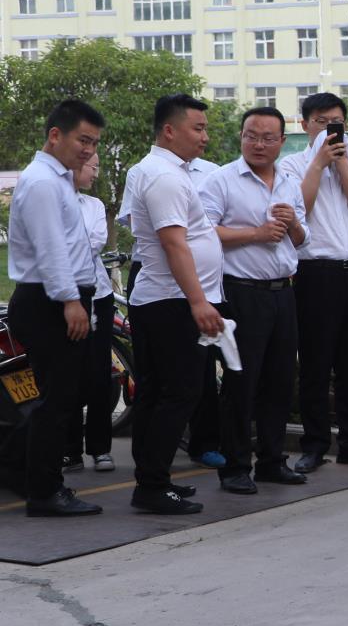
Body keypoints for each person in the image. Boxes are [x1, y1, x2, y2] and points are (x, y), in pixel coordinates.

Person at [2, 100, 108, 517]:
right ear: (55, 135)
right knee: (57, 399)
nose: (88, 150)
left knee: (67, 394)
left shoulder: (58, 179)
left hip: (61, 296)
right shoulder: (44, 182)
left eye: (94, 142)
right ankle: (44, 491)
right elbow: (51, 250)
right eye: (83, 140)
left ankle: (17, 465)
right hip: (50, 299)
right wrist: (69, 301)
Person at [201, 106, 311, 494]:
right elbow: (204, 233)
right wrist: (256, 233)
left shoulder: (288, 181)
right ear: (240, 137)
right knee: (240, 383)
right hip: (242, 293)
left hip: (284, 292)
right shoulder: (221, 180)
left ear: (283, 141)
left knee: (280, 382)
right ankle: (234, 467)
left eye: (268, 137)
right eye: (251, 135)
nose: (258, 144)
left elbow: (302, 239)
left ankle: (271, 461)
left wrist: (293, 224)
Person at [127, 94, 226, 516]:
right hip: (171, 301)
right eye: (197, 128)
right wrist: (199, 301)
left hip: (163, 298)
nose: (205, 137)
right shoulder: (164, 177)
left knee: (157, 394)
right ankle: (152, 485)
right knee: (178, 394)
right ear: (170, 130)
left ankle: (153, 480)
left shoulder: (159, 170)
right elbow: (173, 243)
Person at [279, 92, 348, 474]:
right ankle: (315, 445)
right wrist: (319, 165)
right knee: (316, 365)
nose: (329, 128)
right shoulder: (290, 165)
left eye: (336, 121)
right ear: (305, 124)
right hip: (314, 273)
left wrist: (339, 165)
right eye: (322, 121)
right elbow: (298, 211)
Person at [63, 153, 117, 475]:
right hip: (63, 297)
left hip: (99, 294)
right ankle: (70, 450)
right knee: (68, 373)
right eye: (93, 167)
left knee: (99, 373)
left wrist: (63, 243)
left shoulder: (94, 206)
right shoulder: (53, 201)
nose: (95, 173)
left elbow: (94, 242)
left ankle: (100, 448)